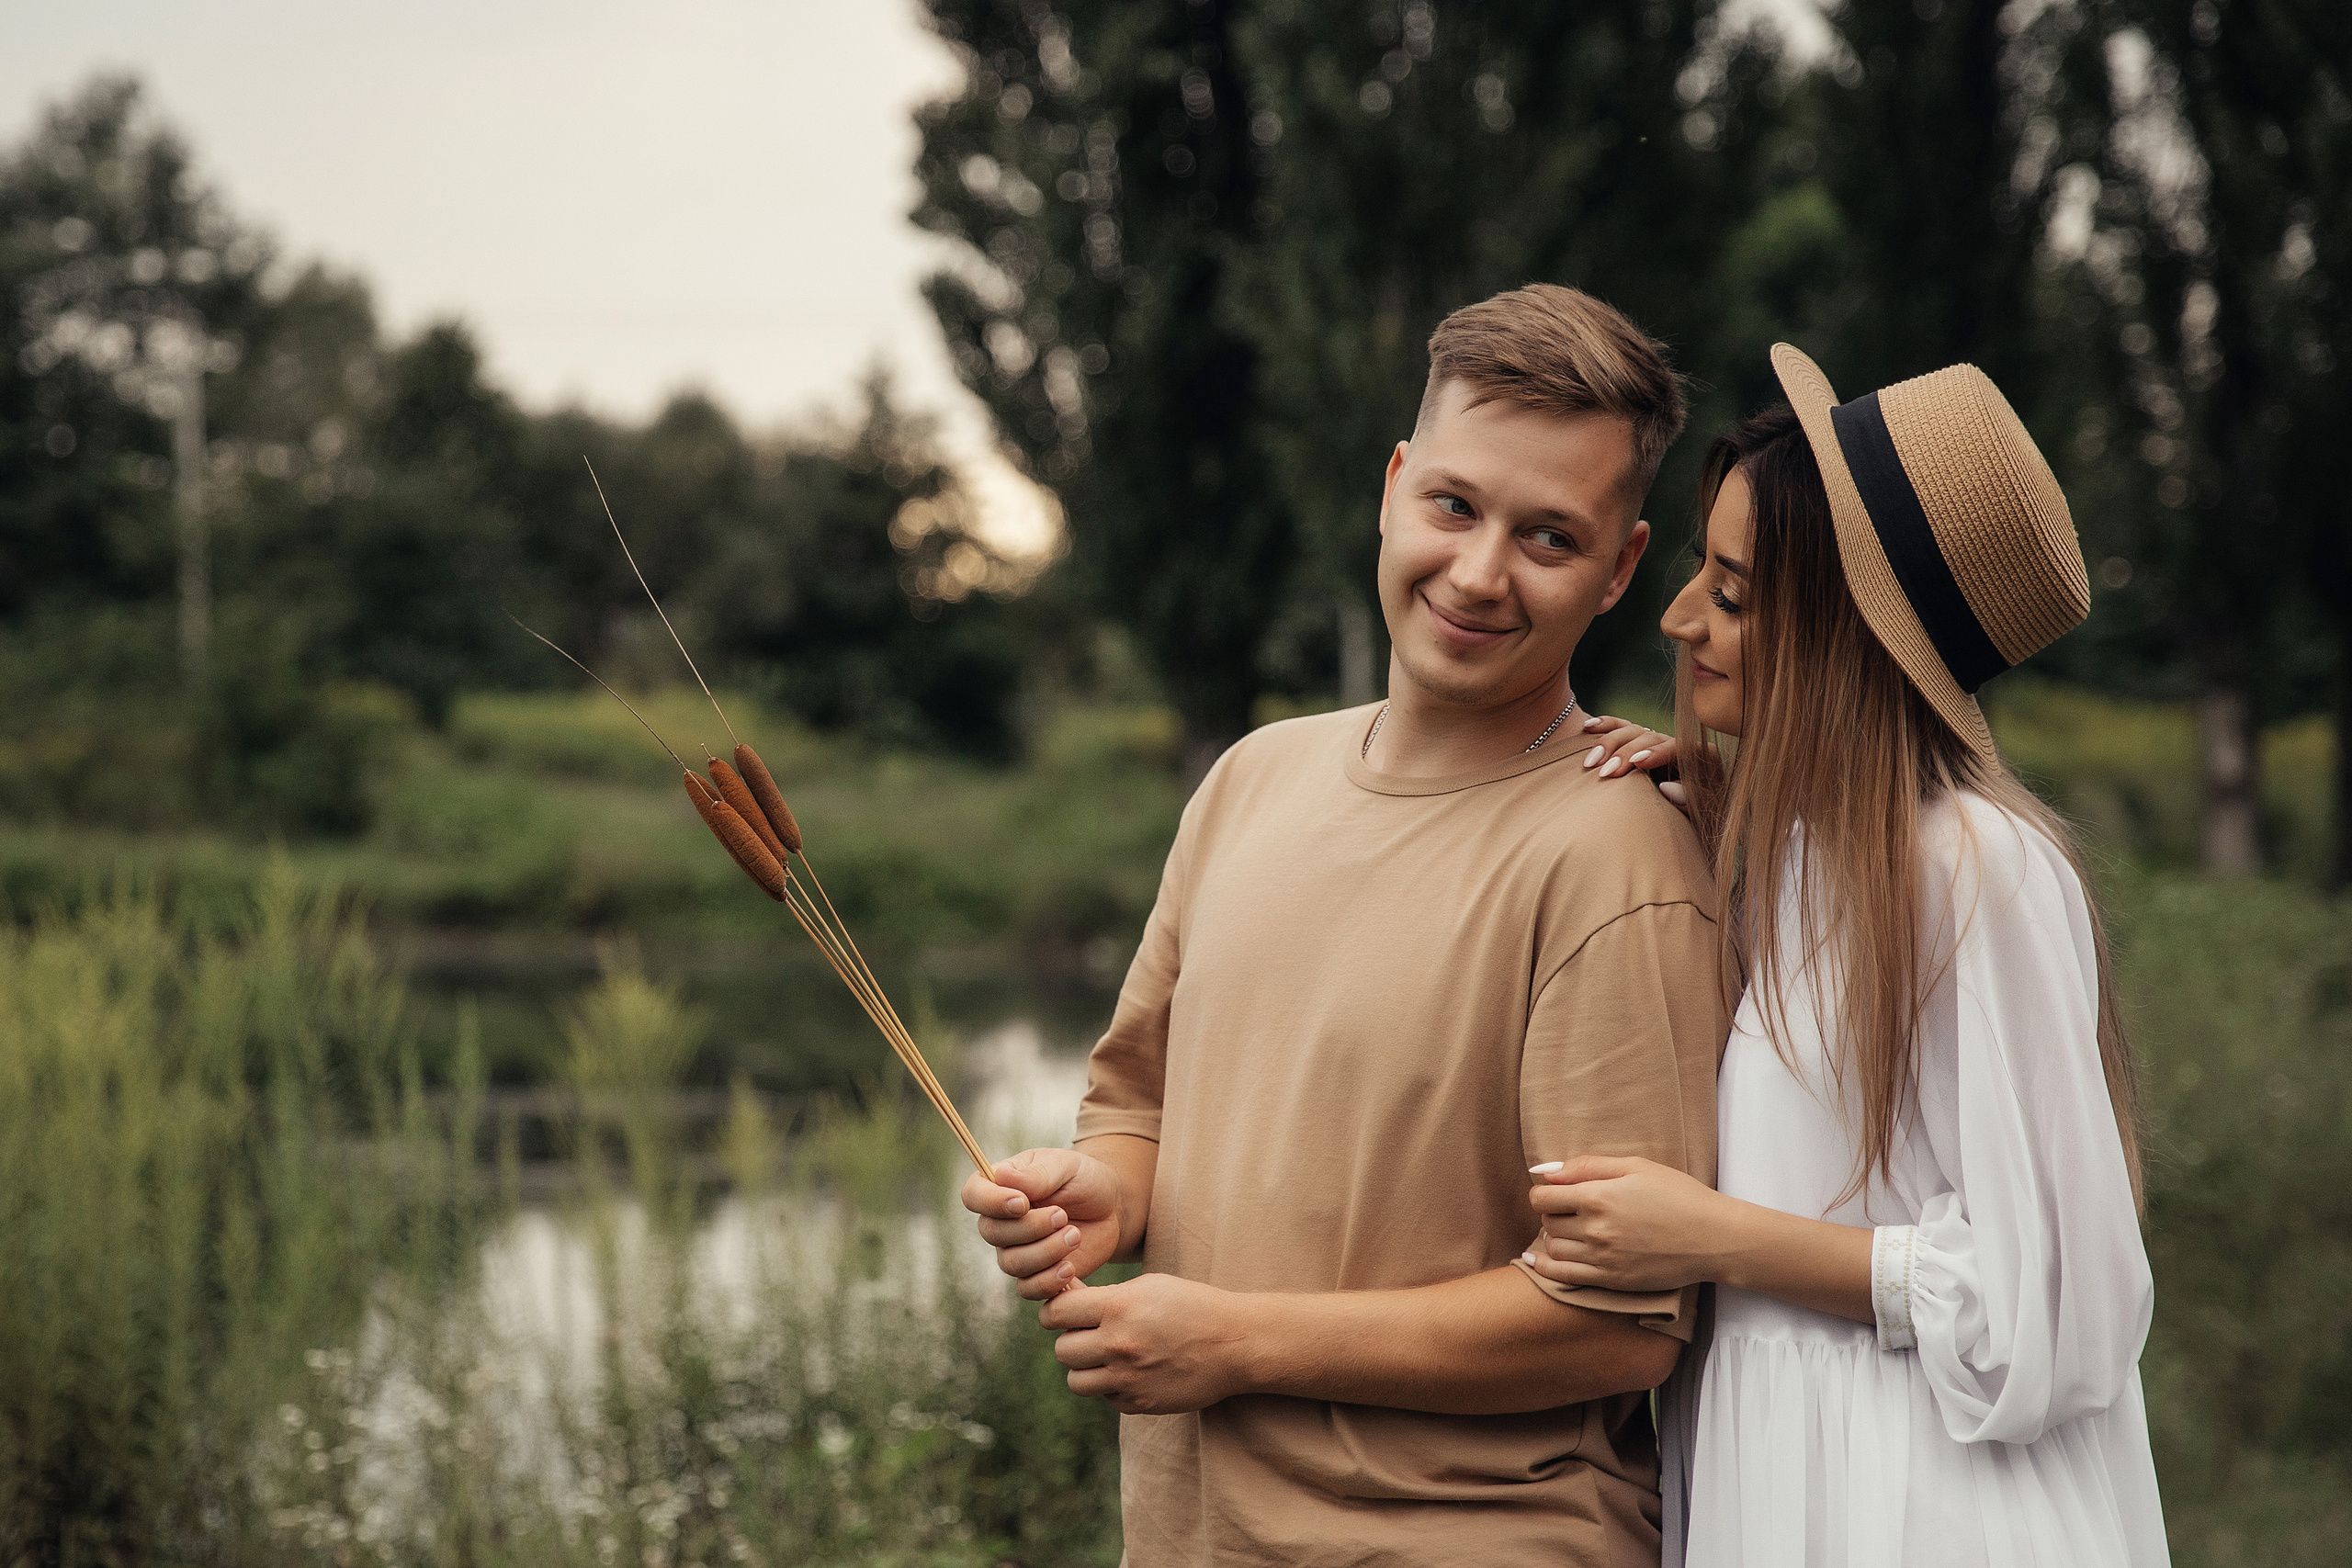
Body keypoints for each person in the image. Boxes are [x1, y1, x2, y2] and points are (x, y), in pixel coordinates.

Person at [961, 284, 1727, 1565]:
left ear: (1620, 569)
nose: (1479, 574)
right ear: (1393, 486)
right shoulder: (1253, 778)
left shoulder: (1617, 853)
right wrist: (1100, 1196)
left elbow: (1618, 1324)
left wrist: (1237, 1340)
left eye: (1549, 537)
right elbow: (1137, 1110)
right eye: (1454, 506)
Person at [1550, 344, 2168, 1566]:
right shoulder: (1796, 860)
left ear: (1844, 635)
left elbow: (2059, 1305)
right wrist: (1722, 818)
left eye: (1733, 596)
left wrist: (1709, 1236)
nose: (1679, 617)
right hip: (1792, 1486)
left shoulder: (1975, 868)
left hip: (1921, 1509)